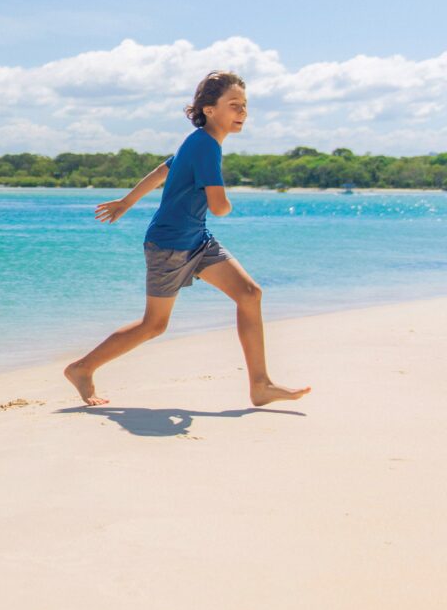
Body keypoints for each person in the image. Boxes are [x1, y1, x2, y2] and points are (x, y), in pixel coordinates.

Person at [64, 71, 310, 407]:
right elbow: (218, 206)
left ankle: (261, 385)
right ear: (209, 109)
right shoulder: (205, 146)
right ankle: (82, 369)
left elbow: (164, 170)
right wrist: (226, 203)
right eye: (234, 105)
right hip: (170, 245)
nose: (242, 112)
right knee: (154, 325)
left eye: (244, 106)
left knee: (250, 294)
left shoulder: (198, 141)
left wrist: (126, 202)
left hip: (197, 240)